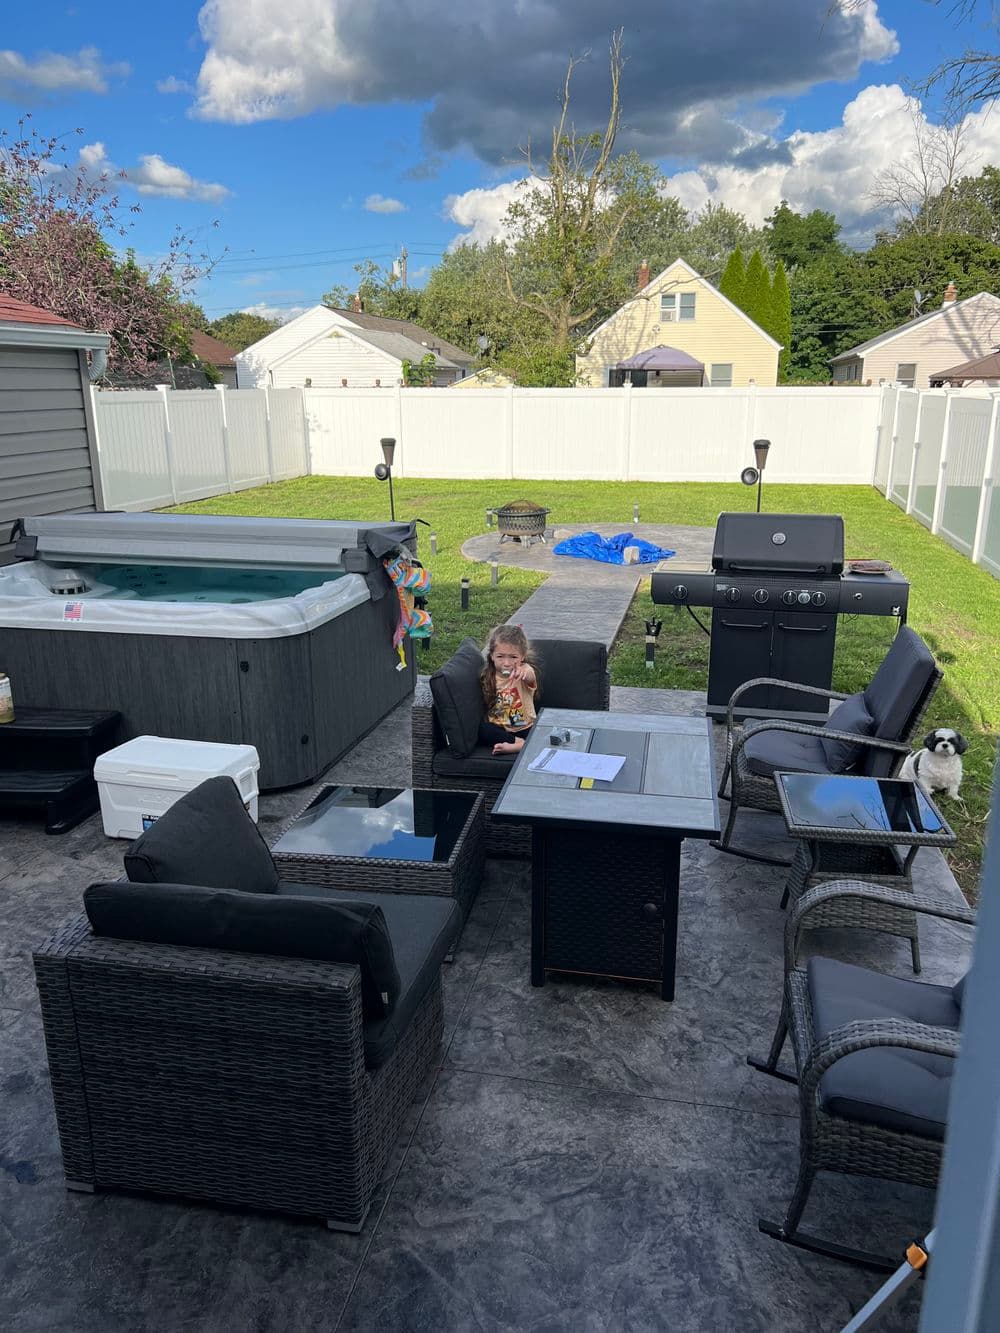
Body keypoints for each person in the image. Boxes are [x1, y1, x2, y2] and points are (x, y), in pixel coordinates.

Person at [479, 624, 539, 755]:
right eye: (500, 656)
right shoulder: (488, 675)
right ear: (492, 656)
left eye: (513, 657)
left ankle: (519, 744)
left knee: (538, 733)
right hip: (500, 728)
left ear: (522, 656)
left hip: (524, 727)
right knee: (483, 730)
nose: (506, 663)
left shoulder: (524, 670)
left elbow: (530, 677)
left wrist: (525, 673)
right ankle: (519, 743)